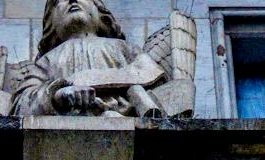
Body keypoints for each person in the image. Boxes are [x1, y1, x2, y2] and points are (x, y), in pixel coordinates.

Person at [10, 0, 169, 118]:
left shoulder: (124, 48)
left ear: (100, 12)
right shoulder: (47, 61)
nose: (72, 0)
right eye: (60, 0)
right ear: (51, 22)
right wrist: (58, 96)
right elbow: (21, 107)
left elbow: (156, 83)